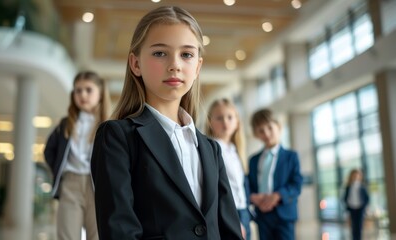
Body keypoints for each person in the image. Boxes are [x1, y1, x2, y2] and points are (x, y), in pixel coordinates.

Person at [90, 6, 243, 240]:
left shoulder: (211, 149)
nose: (175, 65)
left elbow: (229, 231)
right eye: (160, 53)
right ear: (136, 64)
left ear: (198, 67)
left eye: (187, 55)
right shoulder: (117, 137)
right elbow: (118, 231)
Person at [44, 71, 110, 240]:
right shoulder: (66, 123)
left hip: (99, 186)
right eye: (78, 90)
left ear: (100, 93)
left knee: (98, 235)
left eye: (88, 90)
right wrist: (60, 170)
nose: (82, 95)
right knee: (67, 235)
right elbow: (49, 151)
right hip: (70, 184)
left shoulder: (110, 125)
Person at [247, 108, 303, 240]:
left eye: (270, 128)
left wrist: (277, 196)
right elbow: (249, 184)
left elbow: (296, 184)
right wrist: (253, 197)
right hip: (262, 215)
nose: (266, 133)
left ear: (279, 127)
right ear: (256, 134)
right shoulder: (254, 160)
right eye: (261, 131)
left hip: (284, 214)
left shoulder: (291, 156)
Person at [206, 98, 251, 240]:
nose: (225, 122)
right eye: (219, 118)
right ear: (210, 122)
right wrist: (234, 219)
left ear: (237, 122)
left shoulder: (235, 150)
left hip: (243, 210)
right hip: (228, 211)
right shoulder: (212, 148)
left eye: (230, 117)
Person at [343, 169, 369, 240]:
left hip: (360, 208)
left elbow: (366, 198)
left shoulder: (362, 186)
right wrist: (347, 206)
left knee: (359, 225)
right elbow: (345, 198)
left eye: (357, 175)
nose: (356, 176)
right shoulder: (348, 187)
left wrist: (365, 207)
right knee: (353, 225)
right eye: (354, 175)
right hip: (352, 208)